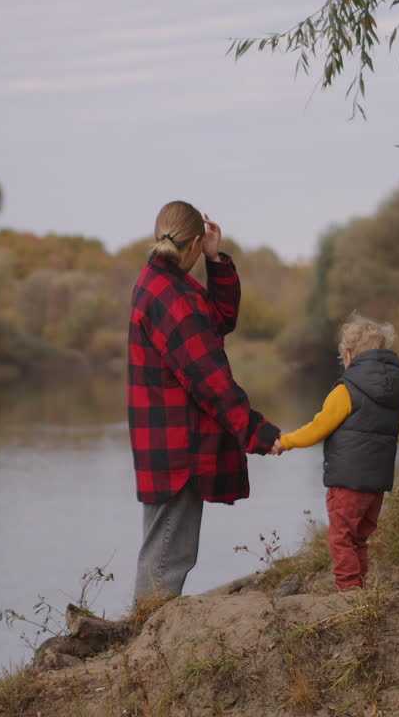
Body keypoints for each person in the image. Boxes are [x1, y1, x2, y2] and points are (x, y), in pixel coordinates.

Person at [128, 200, 283, 602]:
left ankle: (146, 632)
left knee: (165, 551)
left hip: (167, 442)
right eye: (203, 249)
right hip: (177, 447)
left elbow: (218, 321)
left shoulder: (164, 282)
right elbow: (210, 380)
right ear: (195, 242)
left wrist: (216, 261)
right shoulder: (171, 295)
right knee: (167, 556)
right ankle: (148, 635)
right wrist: (257, 432)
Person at [277, 313, 399, 591]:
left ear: (348, 356)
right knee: (358, 538)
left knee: (341, 537)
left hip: (348, 482)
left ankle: (348, 590)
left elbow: (318, 428)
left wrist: (285, 441)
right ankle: (359, 588)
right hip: (377, 484)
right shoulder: (394, 392)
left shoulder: (347, 390)